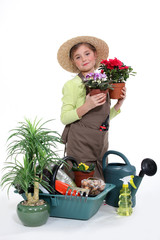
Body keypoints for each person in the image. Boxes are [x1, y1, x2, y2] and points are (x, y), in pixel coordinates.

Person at [57, 36, 126, 180]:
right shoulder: (72, 85)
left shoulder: (104, 81)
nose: (84, 59)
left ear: (95, 55)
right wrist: (87, 105)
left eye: (87, 53)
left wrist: (118, 105)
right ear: (74, 62)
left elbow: (101, 117)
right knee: (81, 187)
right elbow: (65, 117)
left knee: (98, 188)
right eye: (78, 57)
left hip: (100, 143)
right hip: (80, 143)